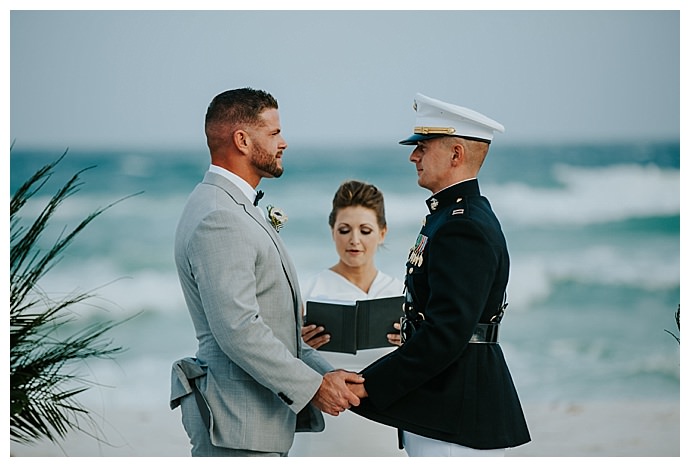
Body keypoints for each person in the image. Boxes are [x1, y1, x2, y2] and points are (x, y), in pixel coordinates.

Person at [169, 87, 364, 457]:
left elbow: (272, 326)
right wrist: (313, 387)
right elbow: (238, 329)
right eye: (274, 133)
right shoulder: (220, 216)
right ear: (242, 140)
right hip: (236, 424)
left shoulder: (230, 204)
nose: (284, 142)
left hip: (252, 423)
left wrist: (325, 374)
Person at [350, 93, 531, 456]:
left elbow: (448, 333)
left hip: (455, 414)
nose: (412, 156)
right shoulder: (452, 217)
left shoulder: (462, 227)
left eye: (422, 146)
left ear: (456, 154)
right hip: (448, 404)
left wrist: (368, 384)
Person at [290, 180, 406, 457]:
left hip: (387, 428)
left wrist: (413, 341)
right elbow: (281, 364)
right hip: (326, 430)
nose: (354, 240)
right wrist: (299, 347)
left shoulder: (401, 293)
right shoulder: (309, 291)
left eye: (365, 230)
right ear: (332, 232)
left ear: (382, 232)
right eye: (344, 230)